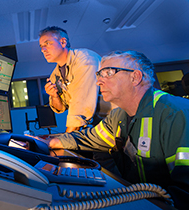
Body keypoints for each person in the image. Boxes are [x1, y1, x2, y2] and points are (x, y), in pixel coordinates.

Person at [41, 50, 189, 209]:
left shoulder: (175, 114)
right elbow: (90, 138)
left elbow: (184, 192)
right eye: (99, 74)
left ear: (135, 77)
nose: (98, 82)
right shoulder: (118, 116)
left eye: (108, 73)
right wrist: (52, 141)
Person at [39, 26, 101, 133]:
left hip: (114, 121)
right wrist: (54, 96)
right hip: (92, 128)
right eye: (41, 46)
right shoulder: (55, 75)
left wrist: (64, 141)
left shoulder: (85, 59)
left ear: (63, 42)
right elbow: (61, 108)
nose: (43, 50)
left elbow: (80, 106)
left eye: (47, 44)